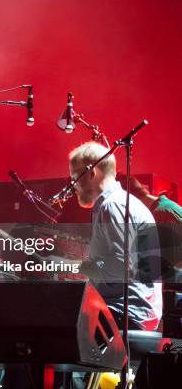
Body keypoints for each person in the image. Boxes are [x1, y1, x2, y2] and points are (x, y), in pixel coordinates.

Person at [68, 142, 162, 331]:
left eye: (74, 177)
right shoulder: (119, 203)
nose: (73, 185)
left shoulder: (112, 206)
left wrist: (81, 267)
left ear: (92, 173)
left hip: (124, 313)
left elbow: (120, 266)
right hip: (130, 311)